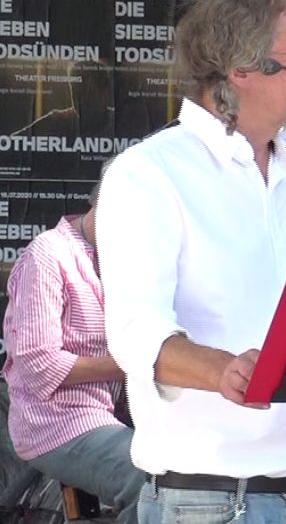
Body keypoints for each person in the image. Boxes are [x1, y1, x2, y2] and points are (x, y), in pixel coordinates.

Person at [95, 0, 286, 524]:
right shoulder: (150, 174)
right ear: (243, 70)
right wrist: (222, 370)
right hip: (208, 502)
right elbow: (135, 332)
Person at [2, 161, 142, 524]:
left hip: (111, 417)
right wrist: (136, 361)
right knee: (149, 478)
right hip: (54, 424)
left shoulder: (123, 261)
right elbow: (39, 366)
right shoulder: (48, 255)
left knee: (203, 467)